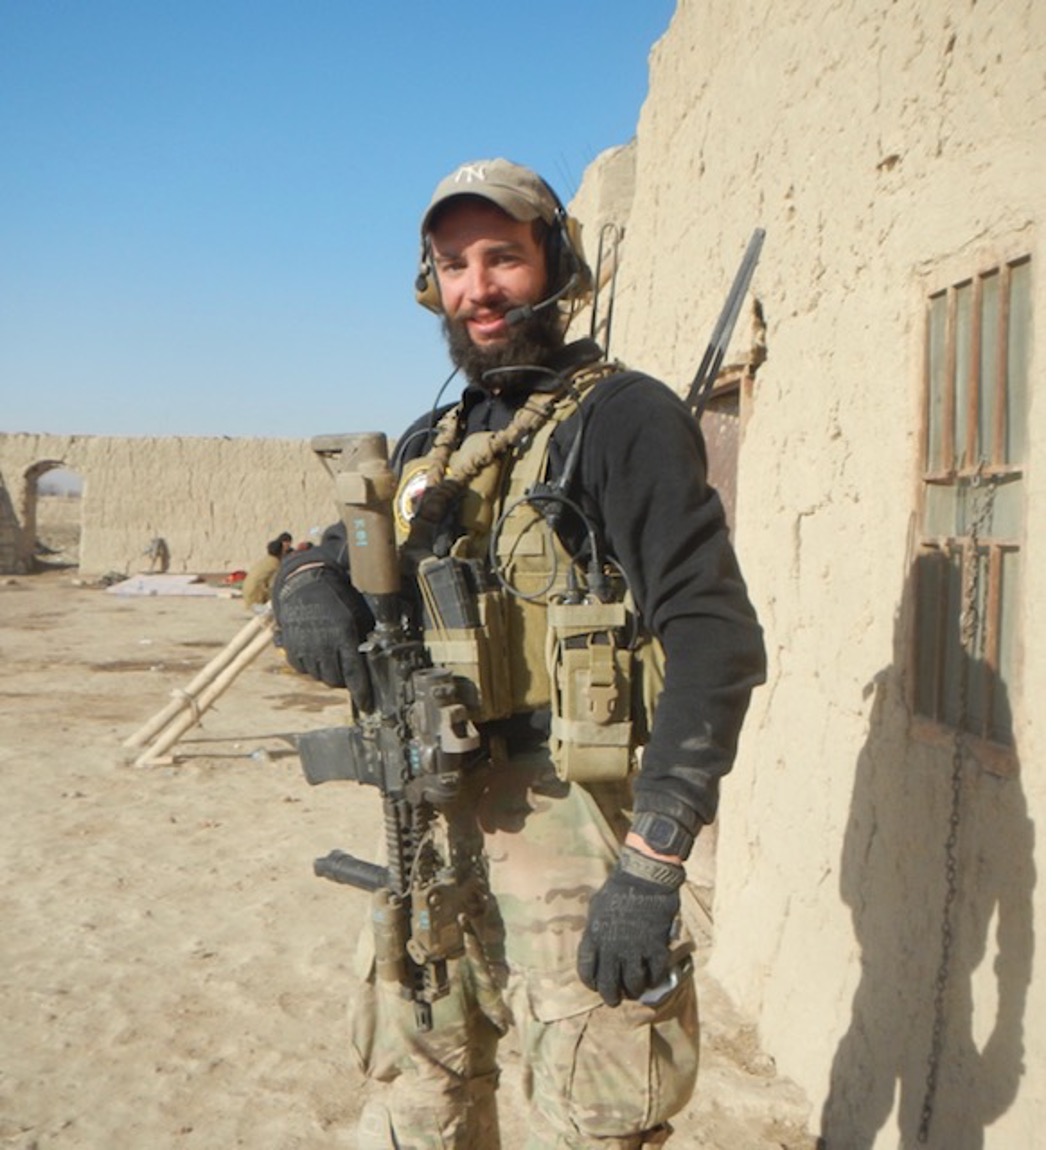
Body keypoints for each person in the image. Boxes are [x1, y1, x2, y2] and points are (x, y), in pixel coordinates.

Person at [272, 159, 766, 1149]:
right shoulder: (431, 437)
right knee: (418, 1092)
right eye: (454, 265)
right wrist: (304, 584)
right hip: (431, 820)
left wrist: (652, 861)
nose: (478, 287)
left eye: (503, 256)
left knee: (600, 1109)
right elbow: (339, 545)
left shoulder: (621, 418)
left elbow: (716, 638)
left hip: (572, 827)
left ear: (556, 264)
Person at [242, 533, 292, 609]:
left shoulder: (267, 560)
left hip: (248, 596)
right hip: (256, 600)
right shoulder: (275, 565)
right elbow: (274, 586)